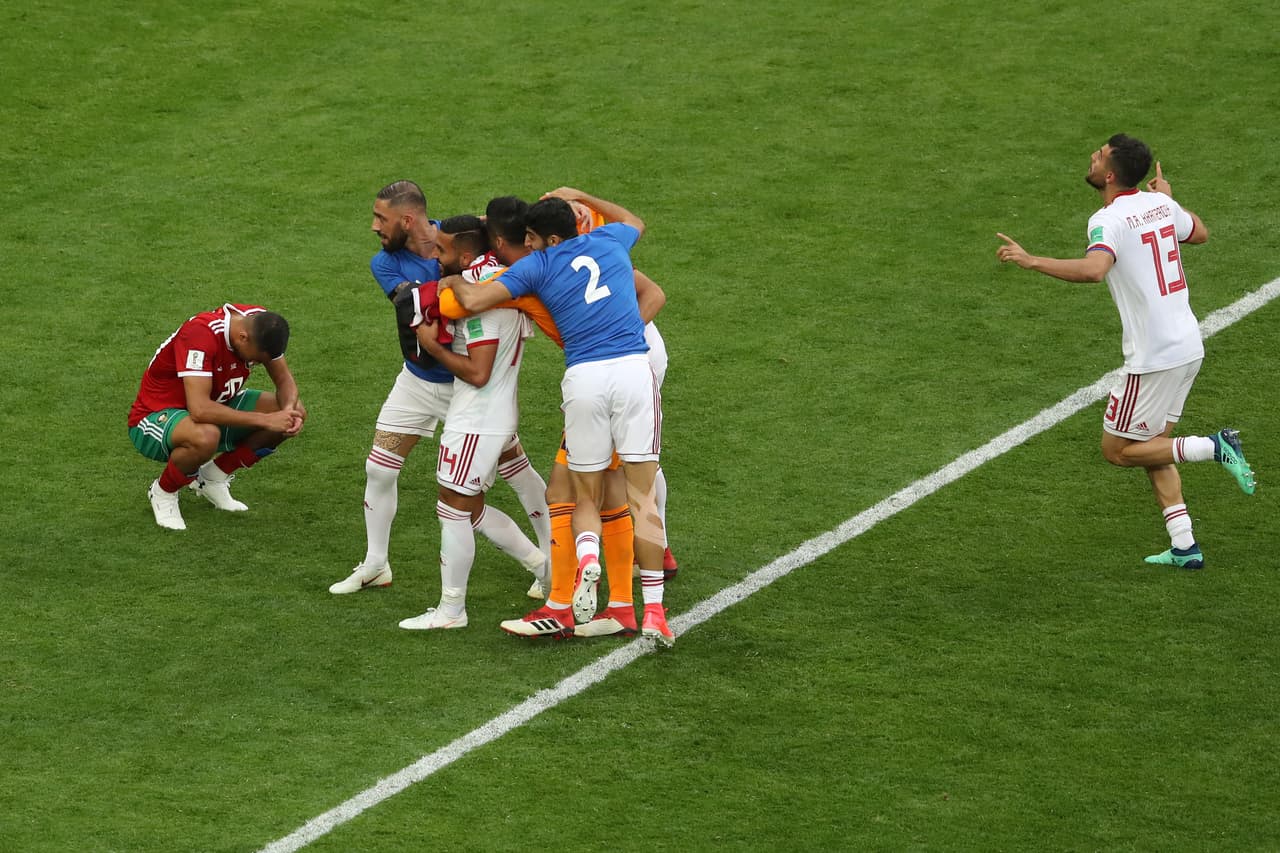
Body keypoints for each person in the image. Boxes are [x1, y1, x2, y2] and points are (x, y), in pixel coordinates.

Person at [996, 134, 1255, 569]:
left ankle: (1213, 446)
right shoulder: (1161, 206)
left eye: (1099, 156)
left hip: (1153, 356)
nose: (1092, 157)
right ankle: (1184, 546)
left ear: (1110, 175)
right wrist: (1168, 203)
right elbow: (1201, 233)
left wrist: (1032, 260)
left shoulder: (1107, 219)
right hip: (1188, 344)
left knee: (1117, 451)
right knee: (1152, 445)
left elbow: (1096, 270)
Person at [447, 188, 674, 646]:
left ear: (542, 239)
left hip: (592, 376)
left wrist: (449, 280)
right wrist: (580, 194)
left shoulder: (532, 270)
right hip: (634, 368)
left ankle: (564, 601)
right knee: (632, 495)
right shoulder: (610, 242)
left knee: (572, 492)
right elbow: (636, 223)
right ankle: (640, 610)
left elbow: (464, 304)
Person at [328, 181, 551, 594]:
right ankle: (376, 563)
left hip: (467, 390)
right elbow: (418, 306)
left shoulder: (457, 238)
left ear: (407, 219)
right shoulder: (385, 263)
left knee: (515, 471)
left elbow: (502, 252)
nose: (375, 226)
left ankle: (552, 558)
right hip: (417, 379)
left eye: (382, 218)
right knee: (378, 466)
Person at [397, 215, 546, 630]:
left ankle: (451, 610)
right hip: (494, 413)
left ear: (466, 255)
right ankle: (547, 568)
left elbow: (478, 371)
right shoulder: (505, 285)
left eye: (442, 250)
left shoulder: (482, 299)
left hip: (477, 418)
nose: (436, 258)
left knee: (453, 510)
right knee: (471, 507)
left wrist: (432, 346)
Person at [128, 304, 305, 530]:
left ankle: (212, 478)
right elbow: (200, 409)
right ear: (242, 338)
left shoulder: (259, 324)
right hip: (155, 415)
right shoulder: (200, 335)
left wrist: (287, 411)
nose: (258, 364)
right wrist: (266, 420)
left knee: (296, 411)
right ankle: (163, 492)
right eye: (257, 360)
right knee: (205, 436)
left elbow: (284, 380)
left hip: (215, 404)